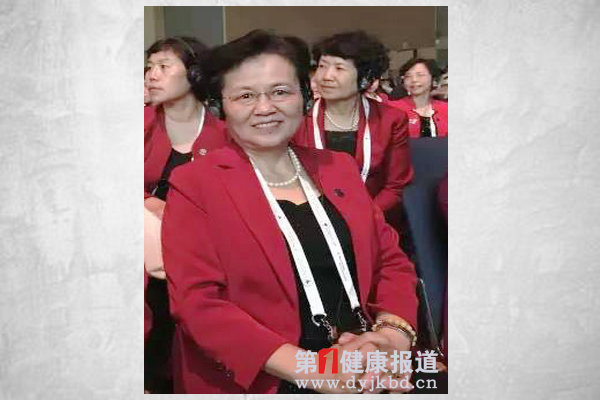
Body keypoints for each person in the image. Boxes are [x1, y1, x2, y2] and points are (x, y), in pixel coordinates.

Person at [162, 30, 419, 394]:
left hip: (363, 360)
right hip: (267, 376)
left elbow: (391, 262)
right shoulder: (195, 184)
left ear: (304, 95)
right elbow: (198, 304)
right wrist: (315, 372)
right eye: (245, 96)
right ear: (222, 105)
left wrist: (391, 338)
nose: (265, 108)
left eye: (280, 91)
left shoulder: (338, 168)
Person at [144, 36, 228, 393]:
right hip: (145, 257)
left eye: (163, 67)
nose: (152, 75)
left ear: (194, 74)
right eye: (149, 67)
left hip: (199, 255)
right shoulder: (136, 125)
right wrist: (146, 203)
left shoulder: (224, 134)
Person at [293, 31, 412, 213]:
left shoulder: (391, 120)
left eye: (339, 68)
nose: (326, 76)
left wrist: (365, 216)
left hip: (374, 214)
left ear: (364, 78)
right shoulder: (297, 119)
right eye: (322, 66)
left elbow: (395, 186)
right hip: (314, 215)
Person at [386, 58, 448, 138]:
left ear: (433, 79)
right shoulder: (392, 108)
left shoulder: (447, 109)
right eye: (408, 76)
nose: (414, 80)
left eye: (420, 75)